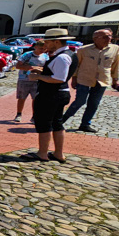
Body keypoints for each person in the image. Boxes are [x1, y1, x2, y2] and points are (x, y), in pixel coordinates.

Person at [25, 28, 78, 162]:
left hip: (51, 94)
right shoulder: (68, 54)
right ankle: (58, 153)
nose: (45, 45)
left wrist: (38, 76)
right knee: (56, 123)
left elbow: (59, 78)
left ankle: (42, 153)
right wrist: (42, 71)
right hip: (59, 93)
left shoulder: (62, 57)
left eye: (47, 42)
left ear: (56, 42)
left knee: (45, 123)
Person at [61, 29, 119, 132]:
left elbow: (115, 65)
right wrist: (74, 78)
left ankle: (85, 124)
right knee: (80, 101)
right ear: (95, 39)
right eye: (106, 36)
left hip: (102, 80)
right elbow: (76, 65)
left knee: (94, 103)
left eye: (110, 36)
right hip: (84, 79)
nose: (109, 38)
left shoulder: (115, 48)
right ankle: (62, 120)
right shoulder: (83, 49)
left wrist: (115, 79)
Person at [13, 40, 47, 122]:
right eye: (40, 48)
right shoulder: (27, 55)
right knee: (21, 98)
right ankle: (19, 114)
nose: (42, 50)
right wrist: (31, 68)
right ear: (35, 47)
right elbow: (18, 66)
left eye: (44, 49)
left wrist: (40, 69)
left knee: (36, 99)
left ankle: (34, 116)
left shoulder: (46, 57)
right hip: (24, 79)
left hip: (37, 80)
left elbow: (47, 68)